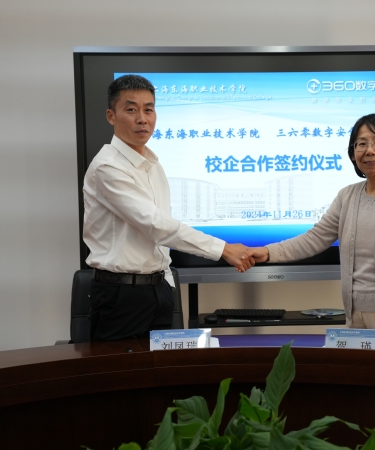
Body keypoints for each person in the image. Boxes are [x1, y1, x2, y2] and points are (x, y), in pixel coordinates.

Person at [83, 74, 253, 342]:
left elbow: (160, 235)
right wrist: (223, 249)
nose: (142, 119)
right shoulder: (108, 167)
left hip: (158, 289)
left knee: (161, 369)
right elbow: (156, 225)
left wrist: (166, 285)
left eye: (148, 110)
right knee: (125, 369)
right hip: (121, 296)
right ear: (111, 116)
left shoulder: (153, 165)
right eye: (131, 110)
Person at [245, 114, 375, 338]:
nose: (370, 150)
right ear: (353, 153)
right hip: (355, 320)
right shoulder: (346, 197)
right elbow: (314, 239)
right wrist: (268, 252)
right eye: (361, 144)